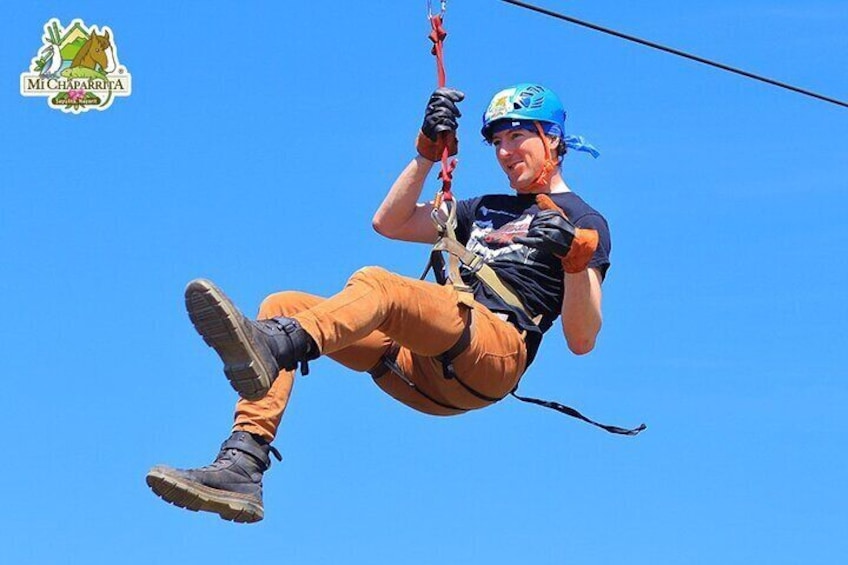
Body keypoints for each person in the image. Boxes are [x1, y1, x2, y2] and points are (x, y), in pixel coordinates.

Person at [146, 83, 611, 523]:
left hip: (494, 352)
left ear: (552, 138)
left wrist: (574, 258)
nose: (506, 152)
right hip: (425, 365)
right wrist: (426, 153)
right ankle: (243, 464)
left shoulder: (582, 220)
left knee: (378, 285)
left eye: (517, 136)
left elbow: (582, 338)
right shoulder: (483, 209)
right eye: (497, 142)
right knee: (284, 304)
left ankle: (277, 346)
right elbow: (390, 223)